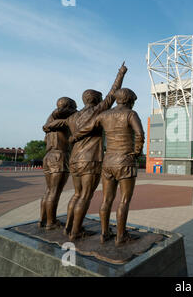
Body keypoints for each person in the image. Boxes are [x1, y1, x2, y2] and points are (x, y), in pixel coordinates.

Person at [43, 62, 127, 241]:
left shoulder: (72, 117)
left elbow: (49, 125)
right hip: (90, 160)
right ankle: (76, 231)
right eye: (101, 98)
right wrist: (121, 73)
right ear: (96, 100)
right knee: (85, 196)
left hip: (73, 160)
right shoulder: (97, 111)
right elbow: (113, 94)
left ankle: (68, 227)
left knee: (76, 194)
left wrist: (55, 114)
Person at [71, 88, 144, 246]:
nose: (133, 104)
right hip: (125, 160)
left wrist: (74, 137)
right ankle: (121, 235)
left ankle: (104, 234)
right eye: (133, 101)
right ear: (129, 100)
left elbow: (87, 128)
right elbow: (139, 134)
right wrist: (137, 152)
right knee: (124, 200)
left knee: (106, 199)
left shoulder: (104, 115)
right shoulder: (131, 114)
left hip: (108, 161)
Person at [39, 97, 77, 229]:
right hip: (59, 156)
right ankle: (51, 222)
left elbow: (45, 139)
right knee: (54, 191)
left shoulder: (50, 124)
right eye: (73, 108)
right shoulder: (64, 122)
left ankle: (43, 220)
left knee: (48, 190)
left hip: (48, 156)